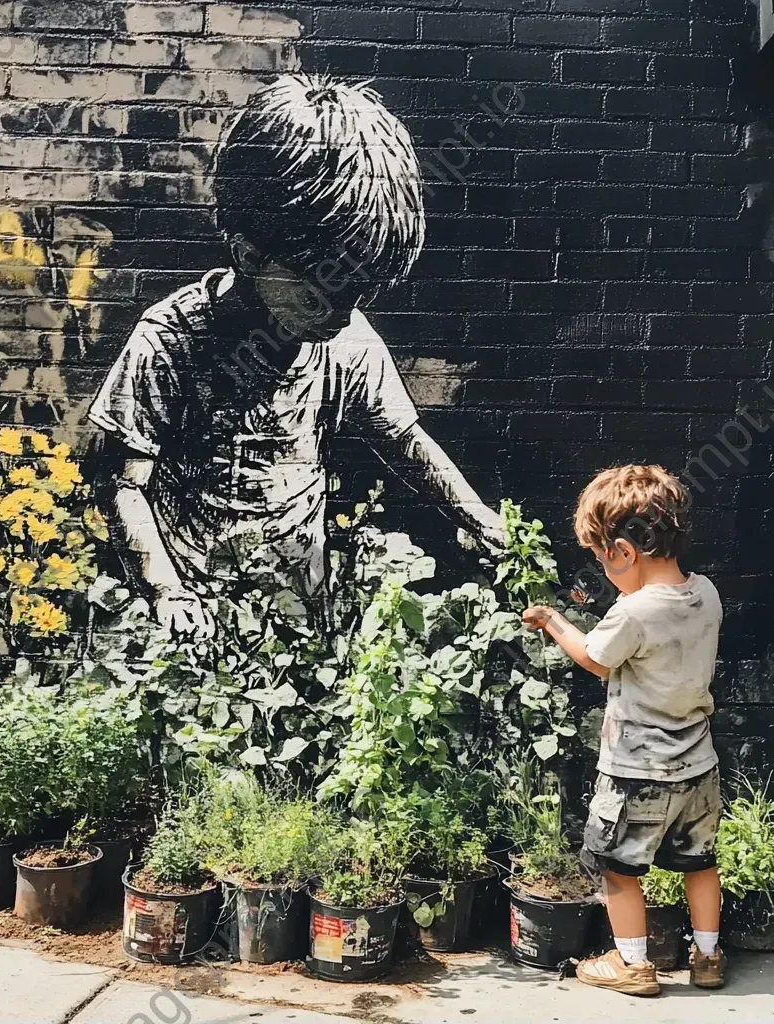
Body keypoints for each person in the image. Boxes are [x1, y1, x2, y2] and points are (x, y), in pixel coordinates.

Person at [88, 74, 504, 637]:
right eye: (321, 290)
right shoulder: (173, 338)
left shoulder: (347, 340)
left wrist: (476, 516)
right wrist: (168, 593)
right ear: (250, 255)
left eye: (361, 291)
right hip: (187, 621)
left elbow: (404, 441)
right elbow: (122, 482)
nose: (343, 311)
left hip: (297, 622)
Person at [523, 464, 724, 997]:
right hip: (700, 767)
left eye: (599, 556)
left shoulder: (632, 612)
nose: (600, 566)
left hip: (638, 771)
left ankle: (633, 965)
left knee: (618, 870)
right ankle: (708, 958)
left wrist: (552, 621)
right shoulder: (706, 592)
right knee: (699, 863)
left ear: (623, 552)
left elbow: (595, 659)